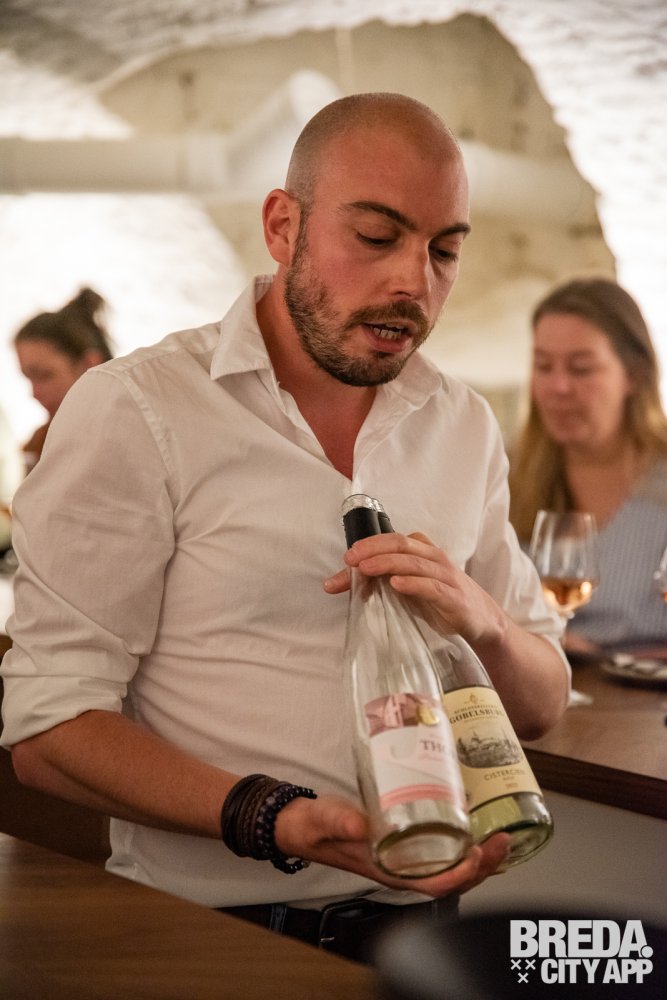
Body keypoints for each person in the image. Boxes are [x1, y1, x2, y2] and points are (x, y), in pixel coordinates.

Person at [1, 93, 570, 965]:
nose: (413, 282)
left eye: (443, 250)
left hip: (426, 932)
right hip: (209, 940)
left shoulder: (461, 424)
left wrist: (482, 618)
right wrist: (276, 818)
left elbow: (541, 704)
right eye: (376, 237)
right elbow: (48, 730)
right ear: (282, 225)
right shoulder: (138, 410)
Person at [508, 277, 667, 657]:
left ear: (634, 376)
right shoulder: (506, 474)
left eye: (581, 369)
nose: (558, 387)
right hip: (538, 684)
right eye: (543, 366)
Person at [13, 287, 113, 469]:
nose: (34, 393)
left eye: (44, 375)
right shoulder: (41, 441)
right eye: (28, 378)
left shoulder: (132, 434)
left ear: (90, 365)